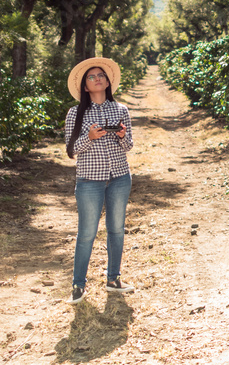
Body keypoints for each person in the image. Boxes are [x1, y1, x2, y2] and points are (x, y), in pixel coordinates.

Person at [63, 56, 135, 304]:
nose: (97, 79)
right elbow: (71, 150)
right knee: (86, 233)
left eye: (100, 75)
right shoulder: (75, 113)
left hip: (119, 178)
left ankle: (114, 279)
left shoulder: (121, 110)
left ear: (107, 82)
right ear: (84, 86)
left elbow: (129, 146)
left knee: (116, 231)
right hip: (89, 181)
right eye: (91, 77)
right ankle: (78, 285)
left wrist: (122, 136)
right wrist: (90, 137)